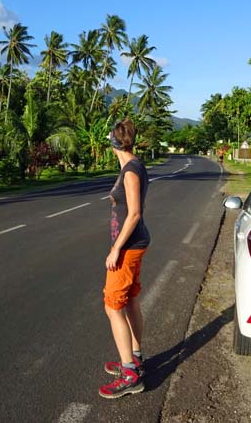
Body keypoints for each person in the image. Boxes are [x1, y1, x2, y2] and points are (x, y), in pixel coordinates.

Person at [99, 118, 150, 399]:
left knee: (112, 305)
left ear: (113, 143)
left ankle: (130, 373)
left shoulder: (131, 170)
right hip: (135, 242)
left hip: (129, 246)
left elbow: (134, 214)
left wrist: (116, 248)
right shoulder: (134, 165)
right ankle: (135, 356)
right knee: (129, 299)